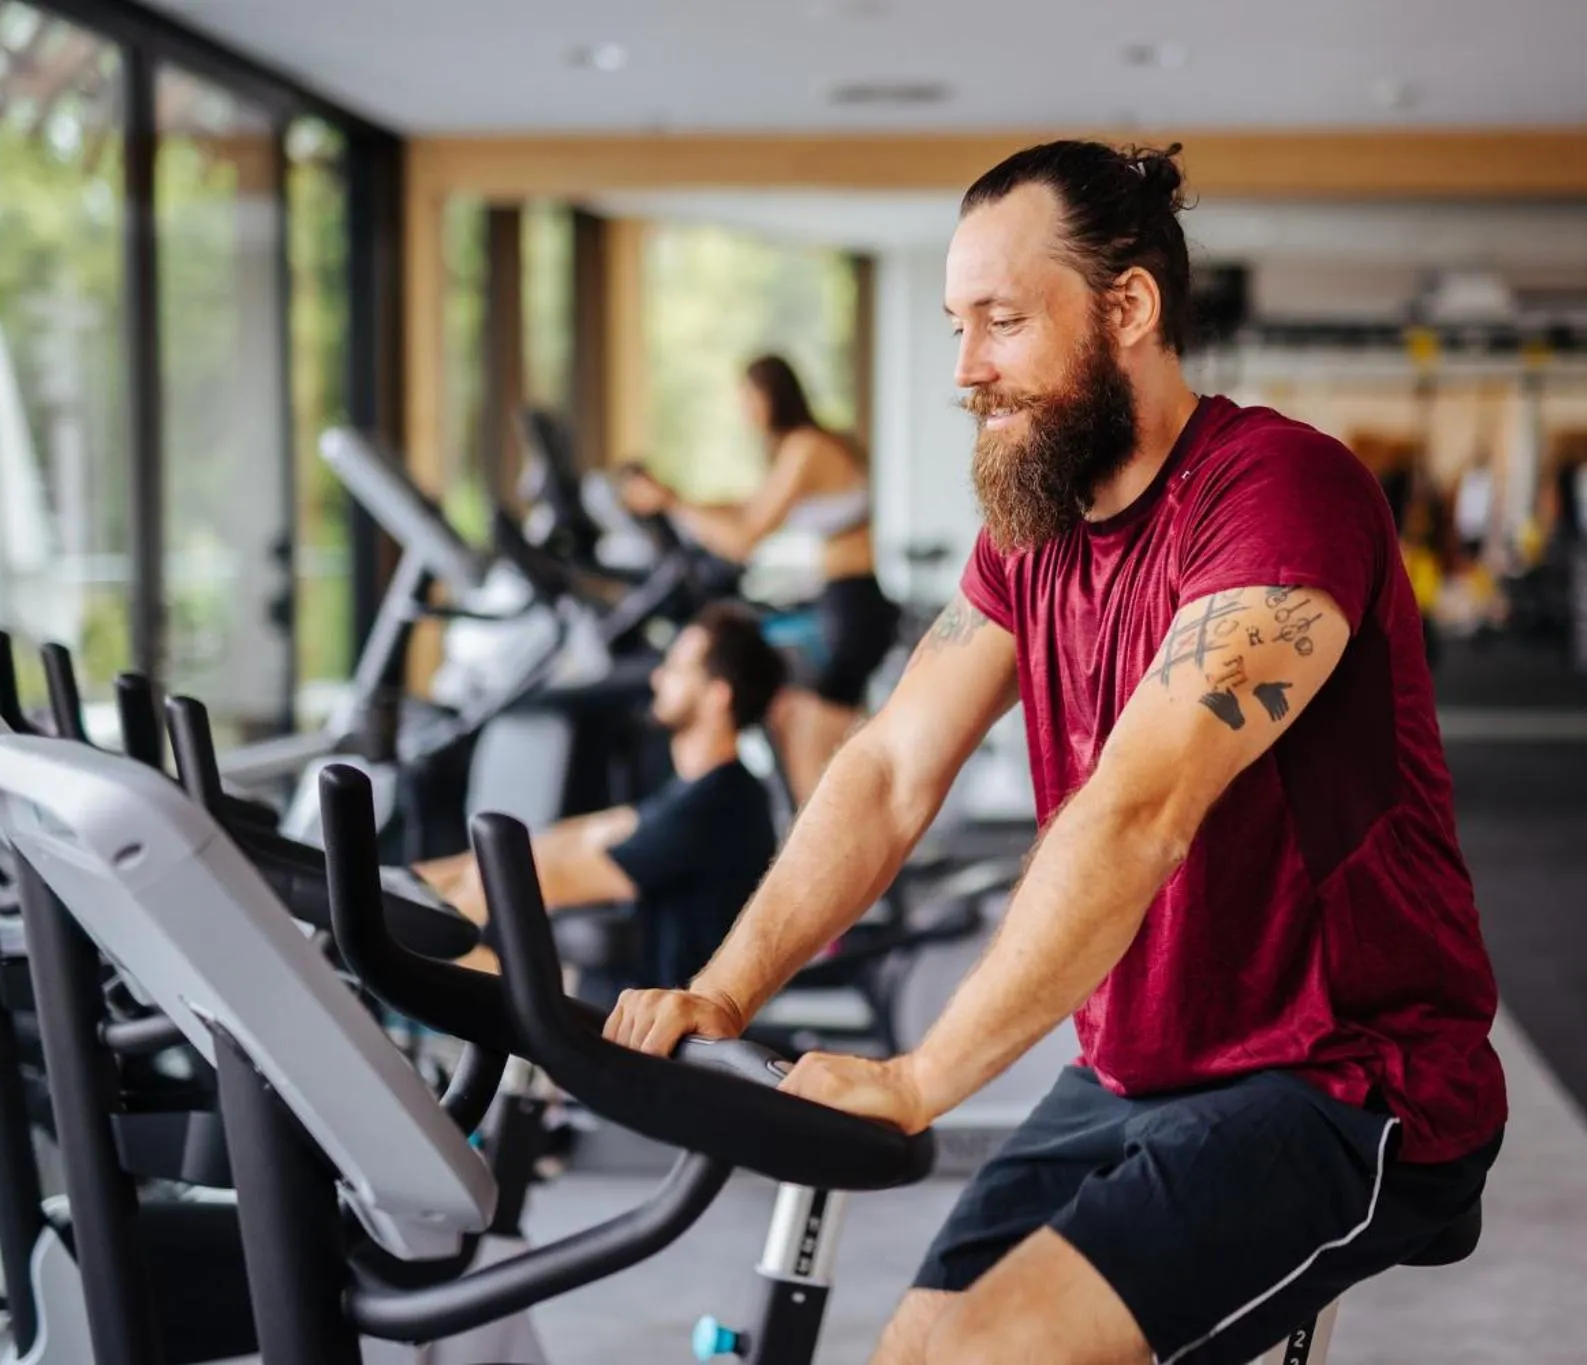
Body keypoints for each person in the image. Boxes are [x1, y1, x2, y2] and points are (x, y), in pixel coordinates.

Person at [603, 140, 1508, 1365]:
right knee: (912, 1356)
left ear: (1126, 307)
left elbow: (1139, 808)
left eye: (1002, 321)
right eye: (954, 325)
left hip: (1341, 1080)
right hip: (1130, 1068)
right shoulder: (1027, 539)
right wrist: (722, 991)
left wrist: (921, 1078)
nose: (966, 369)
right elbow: (886, 770)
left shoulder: (1279, 492)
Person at [415, 602, 785, 992]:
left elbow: (554, 876)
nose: (658, 677)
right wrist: (425, 878)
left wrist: (453, 893)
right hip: (617, 996)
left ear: (717, 696)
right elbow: (586, 835)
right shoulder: (699, 791)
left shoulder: (719, 805)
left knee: (475, 918)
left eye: (676, 669)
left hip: (644, 1023)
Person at [620, 355, 900, 806]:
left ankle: (837, 865)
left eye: (749, 399)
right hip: (847, 603)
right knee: (813, 740)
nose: (746, 412)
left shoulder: (806, 447)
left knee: (816, 764)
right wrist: (676, 500)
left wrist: (670, 502)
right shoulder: (807, 445)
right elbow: (745, 508)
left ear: (772, 395)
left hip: (851, 609)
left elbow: (744, 538)